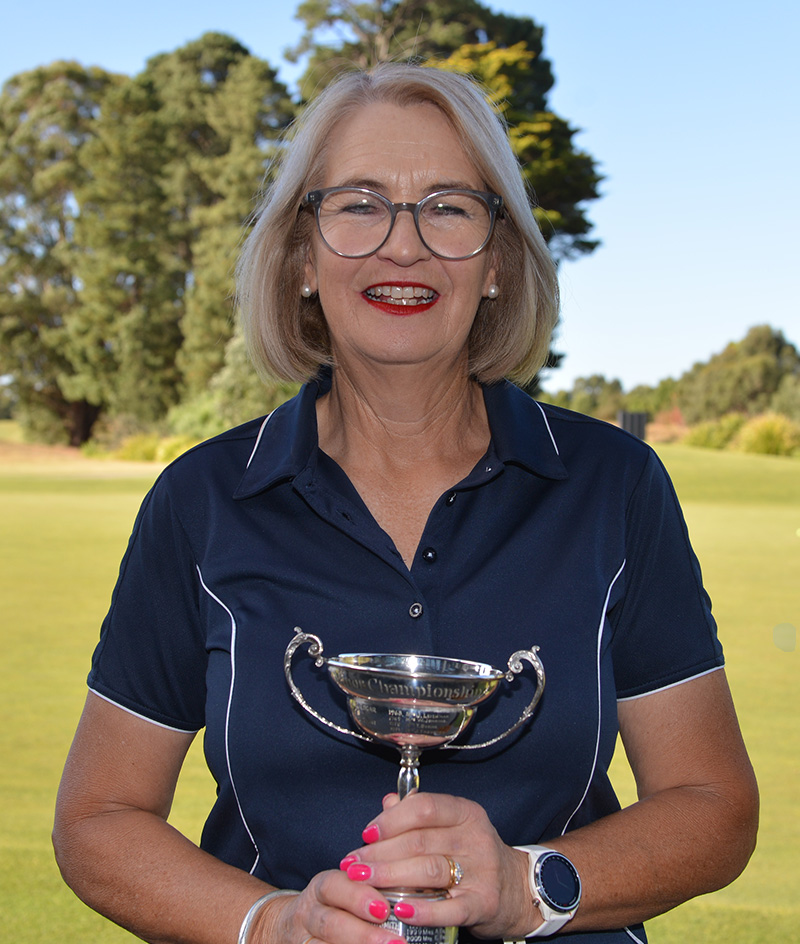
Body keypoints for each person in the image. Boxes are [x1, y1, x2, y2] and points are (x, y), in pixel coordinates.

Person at [53, 63, 758, 944]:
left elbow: (713, 803)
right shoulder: (202, 502)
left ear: (496, 262)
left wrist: (526, 887)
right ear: (302, 256)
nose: (403, 245)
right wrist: (272, 925)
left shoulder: (614, 487)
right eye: (360, 204)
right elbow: (99, 819)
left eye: (449, 207)